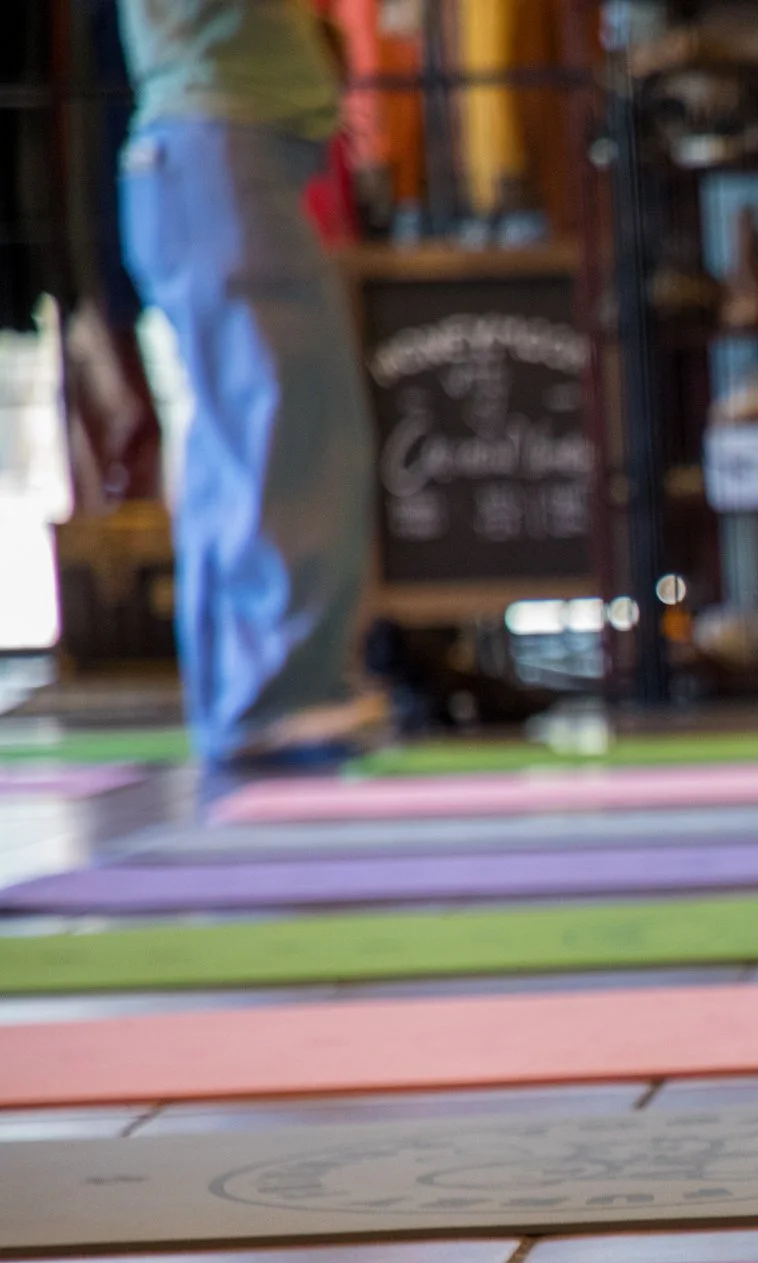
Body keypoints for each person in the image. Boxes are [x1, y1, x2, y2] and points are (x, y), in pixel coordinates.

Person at [116, 0, 383, 765]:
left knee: (251, 423)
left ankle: (257, 692)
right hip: (220, 146)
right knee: (285, 419)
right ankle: (276, 692)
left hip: (209, 148)